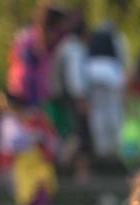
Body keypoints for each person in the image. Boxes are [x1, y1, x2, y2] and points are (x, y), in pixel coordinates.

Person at [0, 90, 58, 205]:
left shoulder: (36, 118)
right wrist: (5, 169)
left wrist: (38, 138)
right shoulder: (6, 123)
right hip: (21, 168)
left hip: (39, 165)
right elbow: (6, 149)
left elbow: (51, 139)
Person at [47, 14, 90, 184]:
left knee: (74, 137)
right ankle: (63, 168)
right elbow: (74, 78)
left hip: (62, 100)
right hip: (70, 101)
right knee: (77, 137)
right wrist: (80, 98)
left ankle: (80, 175)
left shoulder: (65, 46)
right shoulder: (74, 49)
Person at [84, 20, 127, 160]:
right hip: (110, 72)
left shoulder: (94, 38)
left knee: (98, 112)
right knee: (112, 110)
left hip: (92, 72)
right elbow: (121, 58)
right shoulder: (115, 39)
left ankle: (101, 148)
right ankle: (114, 147)